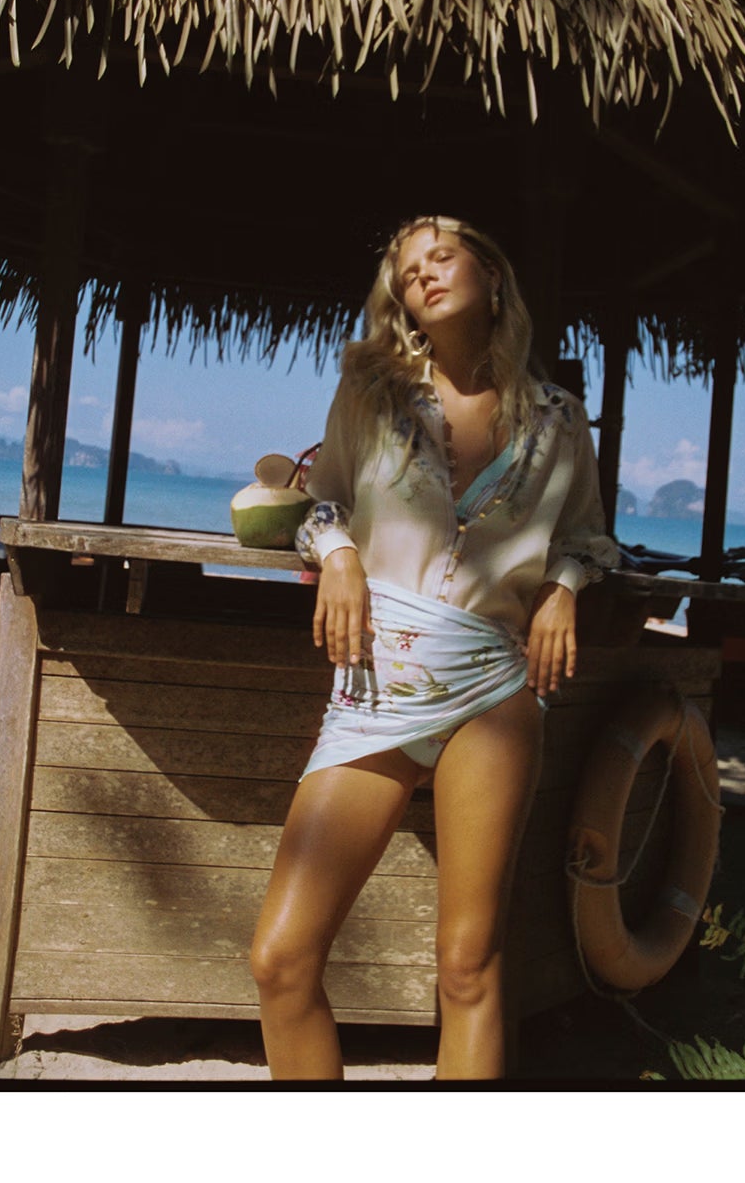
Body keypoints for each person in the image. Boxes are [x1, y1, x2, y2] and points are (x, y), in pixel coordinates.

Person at [249, 215, 620, 1079]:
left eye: (442, 256)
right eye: (408, 271)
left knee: (468, 966)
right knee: (281, 959)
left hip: (492, 689)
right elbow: (321, 501)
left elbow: (588, 537)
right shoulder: (370, 394)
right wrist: (338, 555)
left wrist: (564, 587)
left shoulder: (560, 419)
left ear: (492, 278)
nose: (423, 274)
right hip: (375, 686)